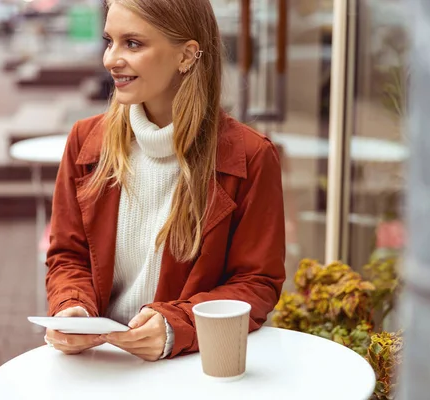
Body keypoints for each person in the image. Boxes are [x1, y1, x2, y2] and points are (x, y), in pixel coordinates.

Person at [44, 0, 286, 362]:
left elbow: (256, 284)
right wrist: (72, 306)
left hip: (190, 365)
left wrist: (177, 325)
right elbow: (68, 256)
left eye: (133, 44)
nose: (111, 59)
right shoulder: (86, 141)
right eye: (109, 41)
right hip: (99, 363)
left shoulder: (250, 157)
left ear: (186, 56)